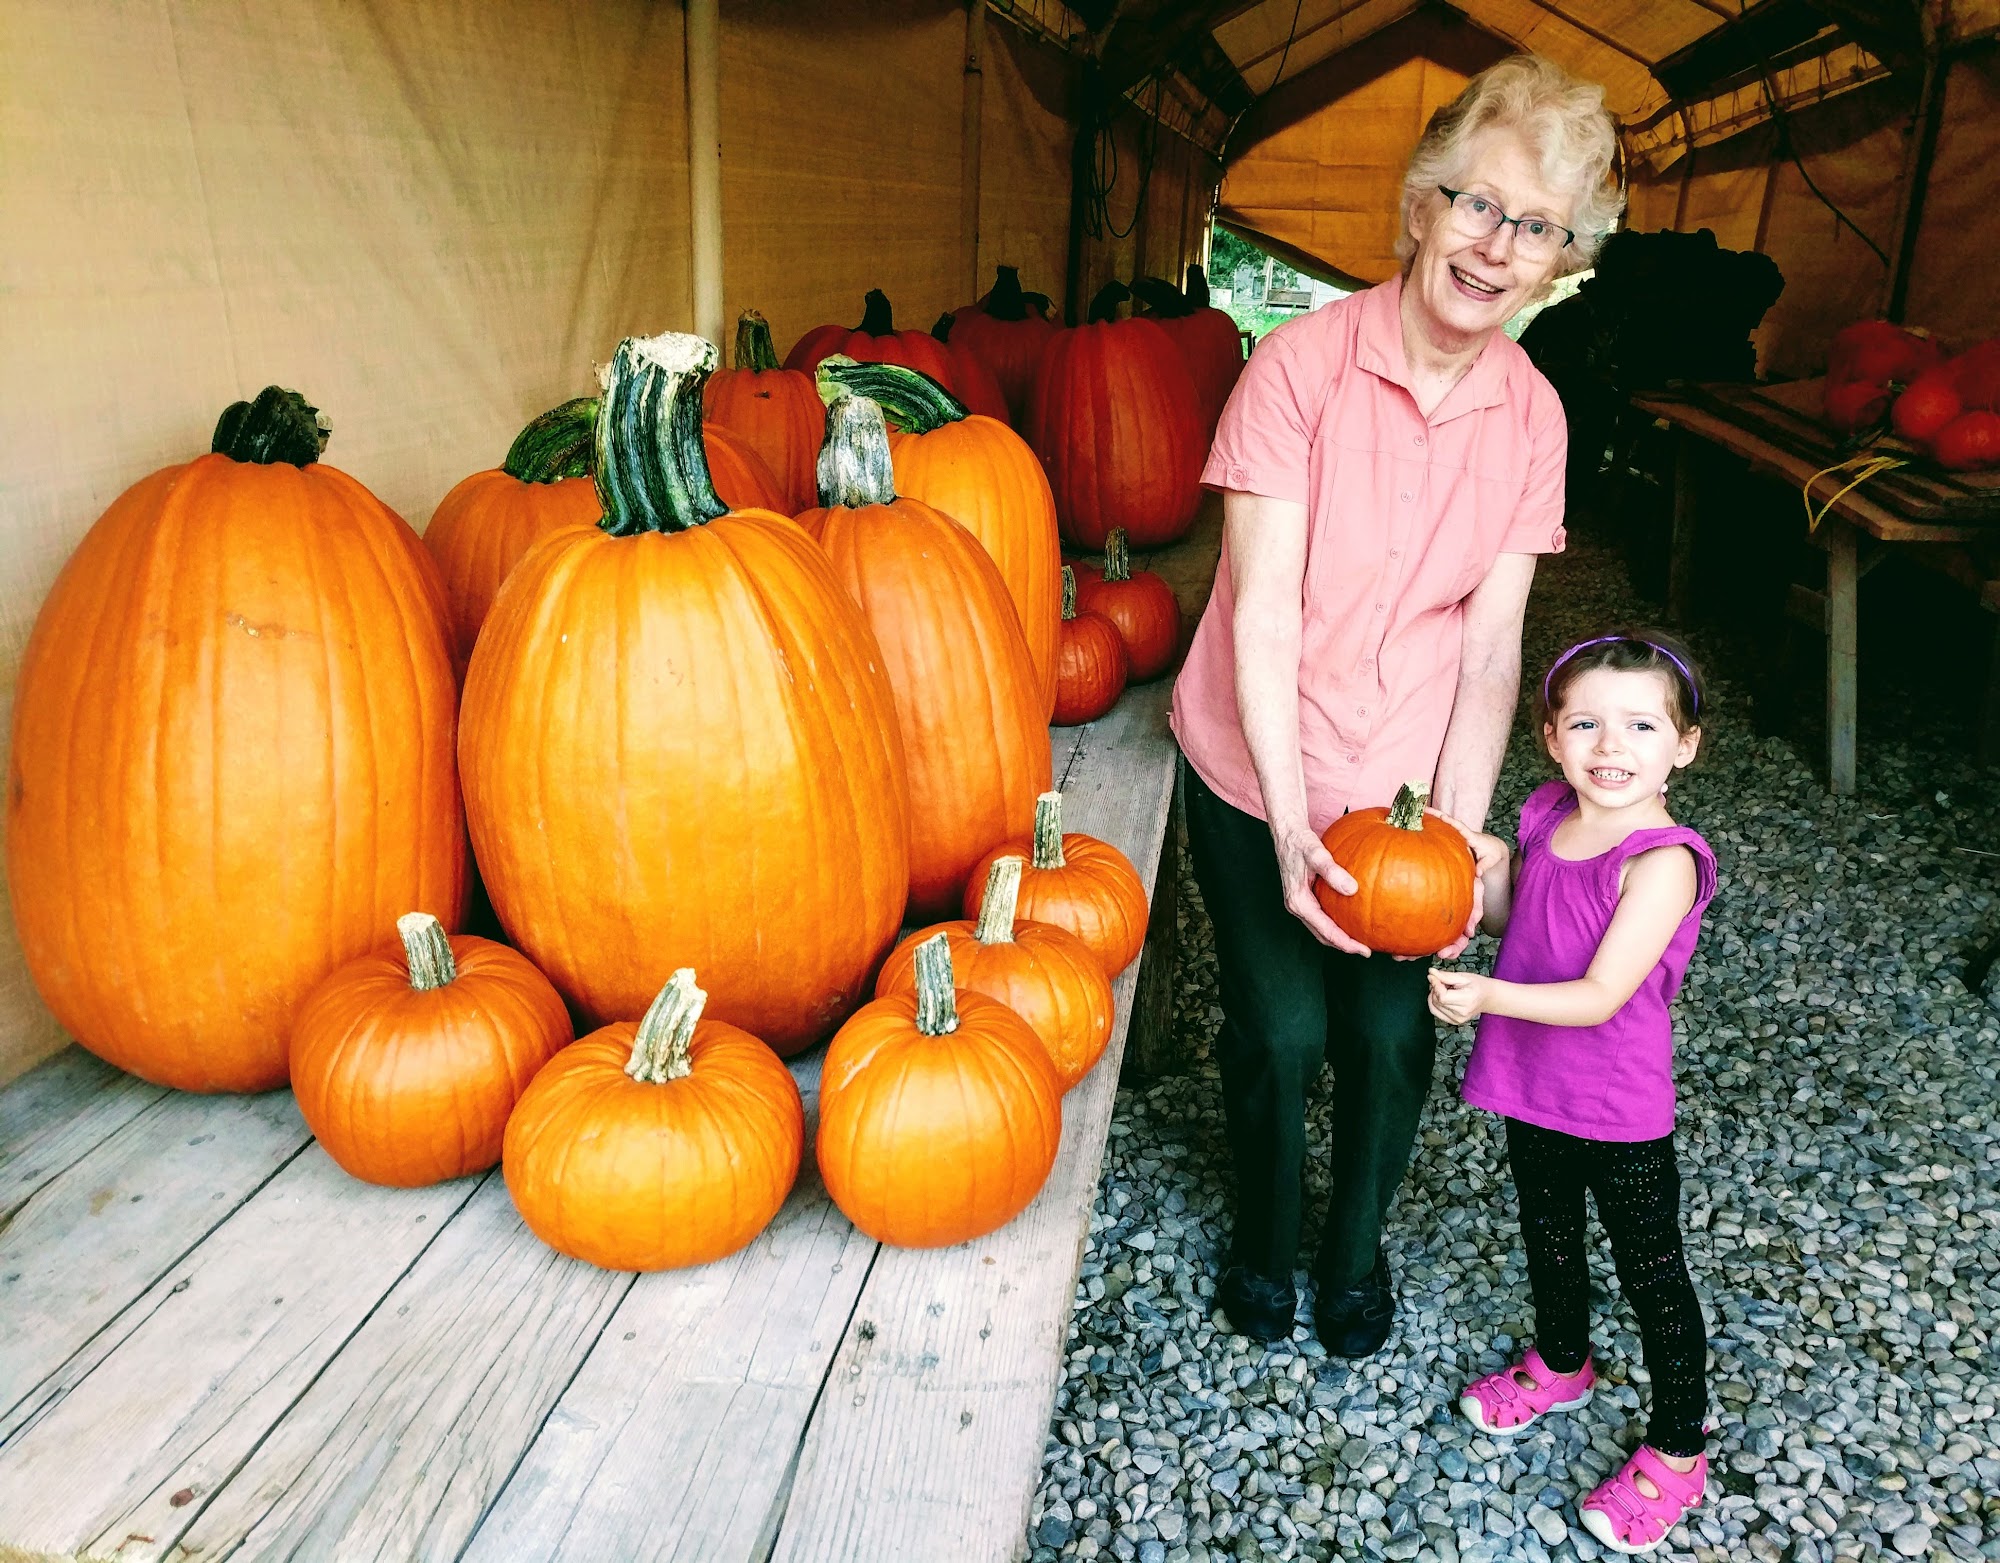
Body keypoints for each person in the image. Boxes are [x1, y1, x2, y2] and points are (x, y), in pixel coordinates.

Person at [1170, 52, 1625, 1353]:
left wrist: (1462, 838)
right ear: (1423, 204)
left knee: (1387, 1035)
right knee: (1282, 1027)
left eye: (1535, 227)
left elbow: (1488, 653)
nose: (1495, 246)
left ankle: (1352, 1246)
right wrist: (1288, 828)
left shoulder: (1532, 421)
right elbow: (1261, 615)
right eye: (1478, 204)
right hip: (1258, 761)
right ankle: (1264, 1234)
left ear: (1562, 260)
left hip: (1405, 787)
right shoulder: (1296, 369)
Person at [1430, 632, 1716, 1555]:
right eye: (1586, 723)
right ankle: (1562, 1359)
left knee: (1652, 1272)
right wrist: (1492, 869)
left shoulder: (1663, 861)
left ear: (1684, 746)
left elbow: (1598, 994)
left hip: (1617, 1107)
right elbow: (1519, 922)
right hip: (1532, 1084)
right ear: (1551, 737)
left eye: (1642, 725)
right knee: (1548, 1233)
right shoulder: (1548, 813)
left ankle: (1679, 1447)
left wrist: (1485, 997)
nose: (1611, 745)